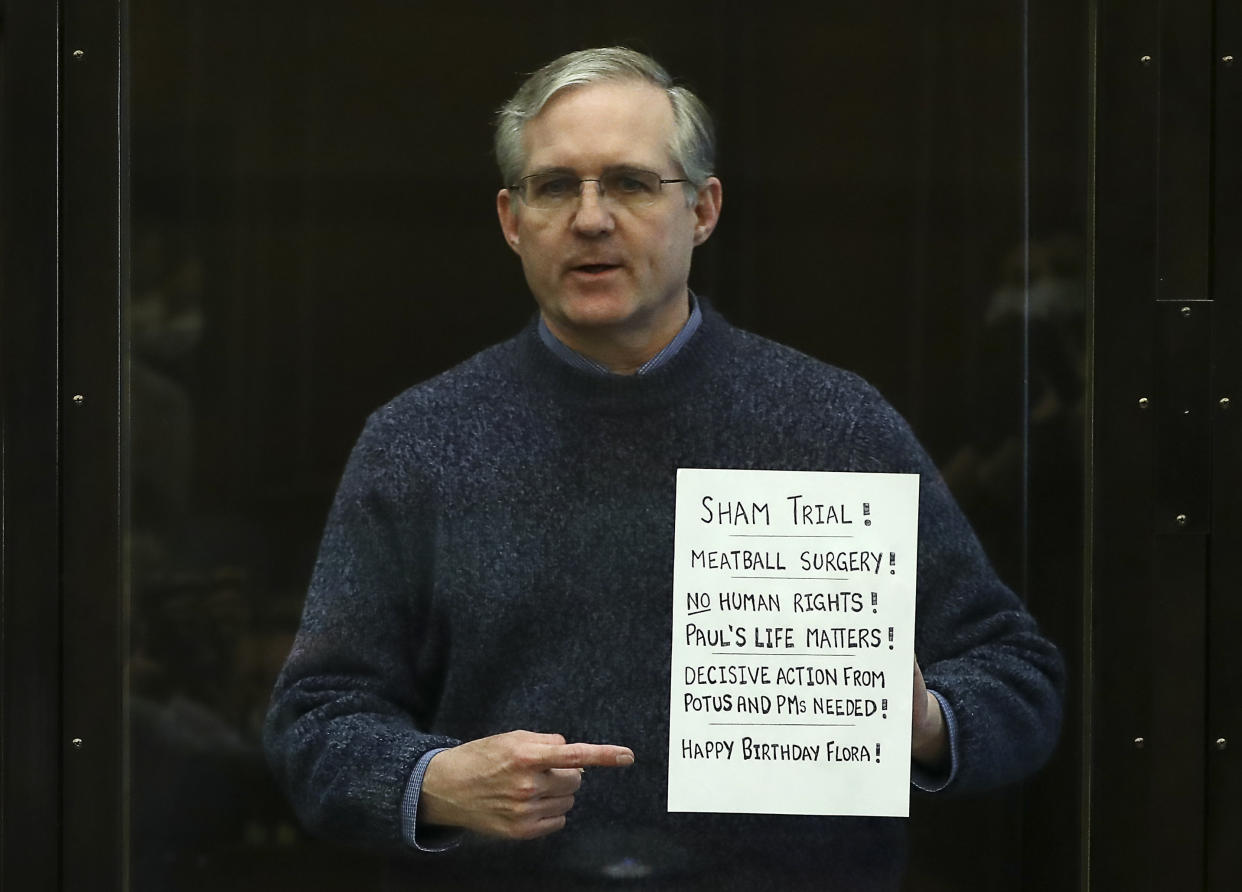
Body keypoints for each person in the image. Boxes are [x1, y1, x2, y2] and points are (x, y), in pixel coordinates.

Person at [264, 47, 1064, 891]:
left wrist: (928, 723)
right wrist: (430, 783)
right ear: (511, 220)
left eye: (633, 184)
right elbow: (315, 723)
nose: (591, 218)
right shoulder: (418, 442)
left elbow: (1019, 680)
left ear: (705, 209)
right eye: (555, 186)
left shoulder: (833, 424)